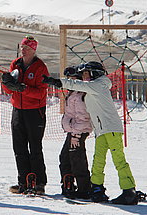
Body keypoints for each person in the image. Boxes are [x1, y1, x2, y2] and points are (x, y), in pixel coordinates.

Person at [42, 61, 138, 205]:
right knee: (98, 161)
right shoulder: (92, 86)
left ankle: (129, 191)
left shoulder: (98, 84)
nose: (83, 76)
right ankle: (97, 189)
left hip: (111, 129)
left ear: (95, 73)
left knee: (119, 160)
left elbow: (79, 85)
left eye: (86, 73)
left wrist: (57, 82)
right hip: (100, 130)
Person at [1, 35, 50, 195]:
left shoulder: (40, 67)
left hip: (35, 111)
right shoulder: (15, 64)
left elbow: (41, 93)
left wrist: (24, 89)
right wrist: (7, 84)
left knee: (35, 147)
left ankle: (39, 182)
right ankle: (23, 181)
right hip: (18, 110)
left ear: (33, 50)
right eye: (22, 47)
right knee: (19, 147)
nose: (23, 50)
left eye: (27, 48)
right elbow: (10, 90)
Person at [59, 65, 92, 200]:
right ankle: (68, 183)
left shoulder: (80, 95)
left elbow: (83, 117)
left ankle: (84, 188)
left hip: (78, 131)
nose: (70, 82)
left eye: (72, 79)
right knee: (65, 157)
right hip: (73, 130)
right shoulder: (72, 93)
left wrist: (76, 133)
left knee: (77, 158)